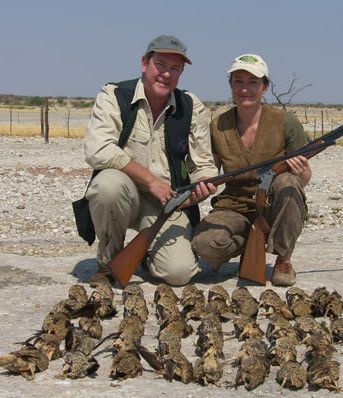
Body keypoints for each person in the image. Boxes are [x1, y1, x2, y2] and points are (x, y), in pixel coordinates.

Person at [84, 35, 217, 287]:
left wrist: (202, 187)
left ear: (181, 73)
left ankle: (144, 255)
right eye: (161, 65)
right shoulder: (114, 95)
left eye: (175, 69)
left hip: (169, 203)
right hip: (125, 195)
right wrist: (151, 181)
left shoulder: (192, 106)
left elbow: (204, 166)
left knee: (179, 274)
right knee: (107, 186)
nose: (167, 74)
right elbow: (97, 150)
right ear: (145, 63)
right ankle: (108, 262)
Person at [192, 54, 311, 286]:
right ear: (230, 85)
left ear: (265, 87)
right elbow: (211, 171)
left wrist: (299, 170)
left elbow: (304, 178)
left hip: (273, 204)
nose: (244, 89)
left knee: (288, 182)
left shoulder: (286, 122)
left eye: (253, 82)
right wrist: (202, 182)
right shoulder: (217, 126)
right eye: (238, 81)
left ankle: (283, 260)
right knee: (204, 245)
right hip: (233, 205)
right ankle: (251, 243)